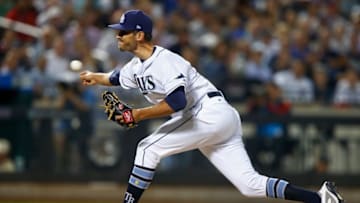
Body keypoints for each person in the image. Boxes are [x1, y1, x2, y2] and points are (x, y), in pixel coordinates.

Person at [79, 9, 344, 203]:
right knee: (249, 185)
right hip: (218, 118)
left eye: (123, 32)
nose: (118, 36)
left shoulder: (165, 61)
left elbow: (177, 101)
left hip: (206, 114)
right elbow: (115, 78)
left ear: (139, 35)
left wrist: (137, 114)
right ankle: (321, 198)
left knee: (147, 148)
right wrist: (95, 77)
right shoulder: (134, 67)